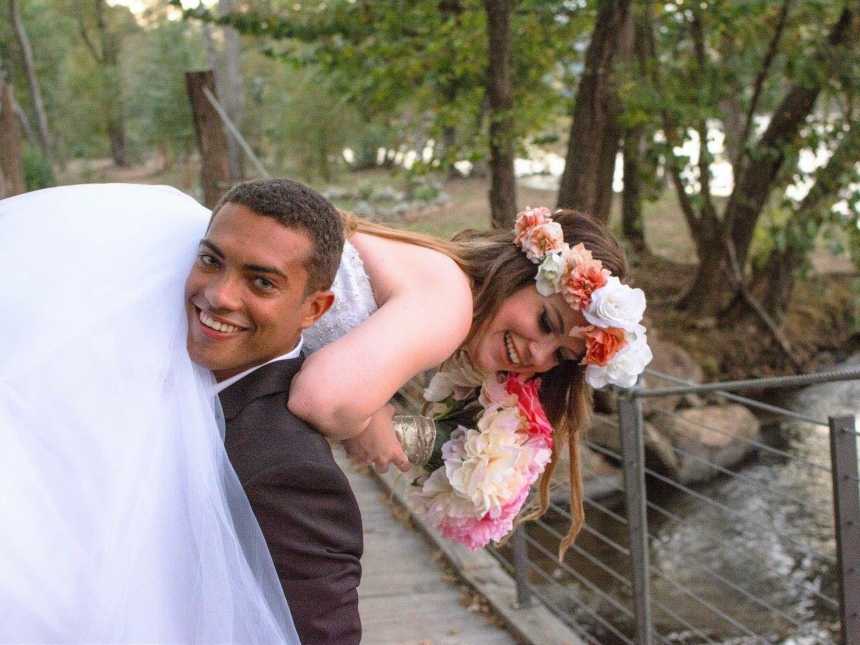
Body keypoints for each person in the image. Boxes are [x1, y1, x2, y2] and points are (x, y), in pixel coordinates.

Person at [187, 180, 363, 644]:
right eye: (211, 261)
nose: (220, 295)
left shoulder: (291, 471)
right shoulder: (169, 372)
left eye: (262, 282)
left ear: (314, 309)